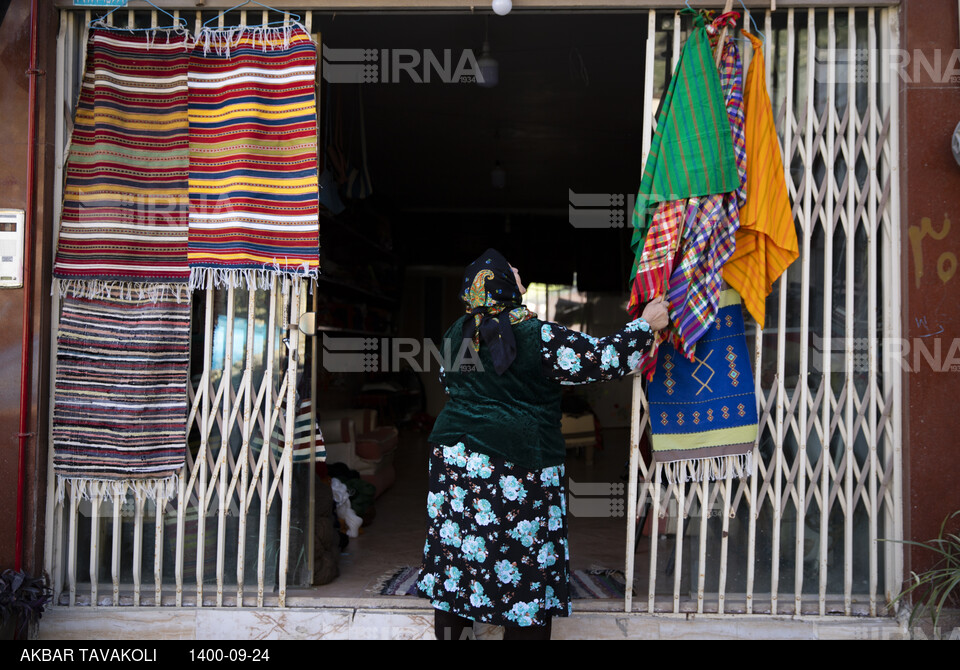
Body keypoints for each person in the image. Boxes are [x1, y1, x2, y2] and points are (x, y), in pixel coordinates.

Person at [415, 248, 669, 640]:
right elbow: (599, 360)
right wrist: (645, 325)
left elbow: (450, 384)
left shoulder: (455, 332)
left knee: (457, 567)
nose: (520, 273)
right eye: (513, 271)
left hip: (454, 462)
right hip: (517, 465)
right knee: (524, 571)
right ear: (500, 283)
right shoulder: (538, 336)